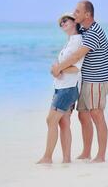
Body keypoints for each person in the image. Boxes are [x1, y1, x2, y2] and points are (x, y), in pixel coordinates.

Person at [51, 0, 108, 163]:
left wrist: (59, 68)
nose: (74, 14)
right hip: (86, 80)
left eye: (77, 11)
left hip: (97, 81)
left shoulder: (93, 32)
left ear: (87, 14)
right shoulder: (85, 29)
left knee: (97, 114)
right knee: (83, 116)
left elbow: (77, 56)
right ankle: (86, 152)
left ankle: (101, 155)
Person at [37, 12, 84, 164]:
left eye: (65, 21)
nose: (62, 23)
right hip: (61, 86)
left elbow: (77, 68)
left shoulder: (78, 41)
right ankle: (66, 160)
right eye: (60, 23)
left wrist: (59, 70)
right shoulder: (70, 41)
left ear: (74, 22)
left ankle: (47, 157)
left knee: (51, 120)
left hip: (68, 89)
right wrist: (56, 70)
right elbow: (63, 66)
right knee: (63, 123)